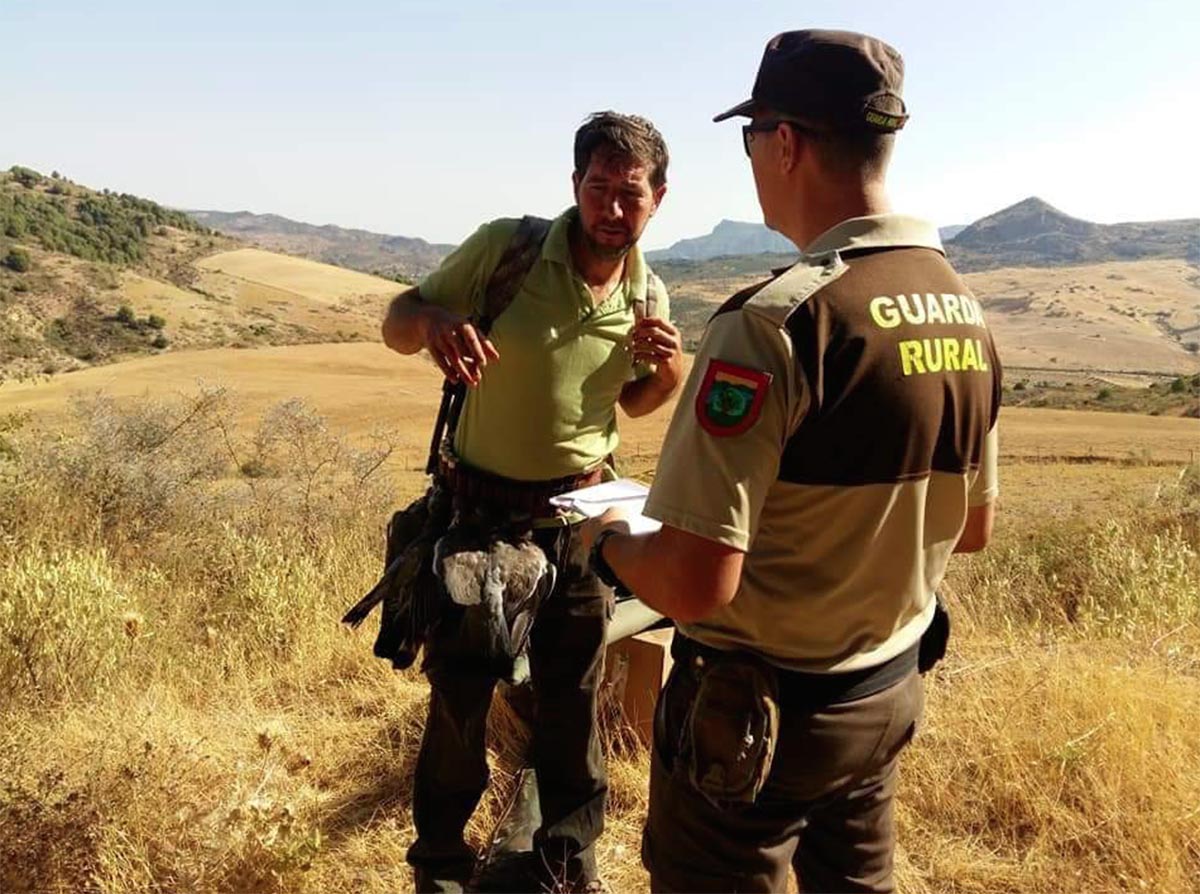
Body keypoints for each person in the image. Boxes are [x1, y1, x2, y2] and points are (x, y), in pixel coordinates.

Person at [583, 30, 1002, 893]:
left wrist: (611, 542)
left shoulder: (777, 324)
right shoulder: (963, 310)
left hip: (756, 716)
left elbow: (699, 583)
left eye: (749, 138)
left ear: (783, 142)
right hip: (885, 692)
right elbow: (972, 529)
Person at [380, 110, 683, 893]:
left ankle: (566, 864)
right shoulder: (506, 249)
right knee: (460, 700)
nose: (612, 208)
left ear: (659, 197)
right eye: (598, 187)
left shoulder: (651, 288)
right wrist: (437, 322)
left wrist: (670, 371)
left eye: (631, 192)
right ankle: (441, 867)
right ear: (575, 184)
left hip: (581, 523)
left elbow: (638, 404)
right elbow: (396, 322)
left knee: (572, 703)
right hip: (478, 520)